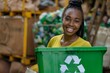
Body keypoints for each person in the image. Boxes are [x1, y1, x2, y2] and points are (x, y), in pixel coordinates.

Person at [27, 0, 91, 72]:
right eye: (67, 19)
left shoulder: (85, 46)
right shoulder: (53, 40)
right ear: (62, 18)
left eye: (76, 21)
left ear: (81, 23)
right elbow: (46, 65)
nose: (71, 24)